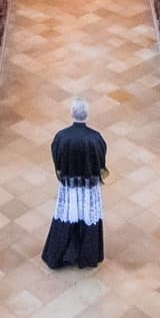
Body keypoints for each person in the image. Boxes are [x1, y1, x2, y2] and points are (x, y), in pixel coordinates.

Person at [42, 98, 107, 269]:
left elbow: (57, 159)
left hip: (69, 185)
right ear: (87, 114)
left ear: (71, 113)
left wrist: (63, 172)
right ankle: (89, 256)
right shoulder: (95, 138)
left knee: (67, 215)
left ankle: (59, 255)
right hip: (88, 186)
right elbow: (101, 161)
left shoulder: (61, 137)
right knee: (88, 216)